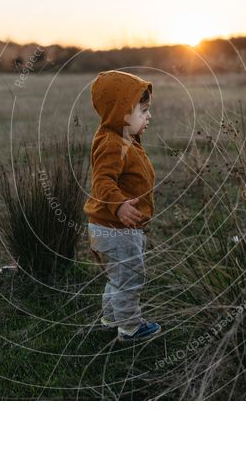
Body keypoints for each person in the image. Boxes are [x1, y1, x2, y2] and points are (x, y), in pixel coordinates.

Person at [83, 70, 161, 342]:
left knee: (117, 278)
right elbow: (102, 182)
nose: (148, 116)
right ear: (120, 112)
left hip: (113, 229)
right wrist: (118, 206)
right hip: (116, 229)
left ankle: (111, 318)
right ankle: (130, 327)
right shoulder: (112, 143)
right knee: (130, 279)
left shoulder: (125, 140)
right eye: (143, 111)